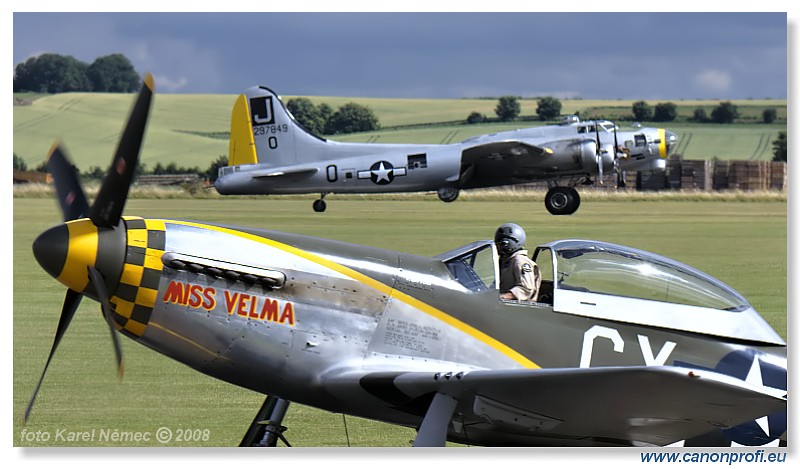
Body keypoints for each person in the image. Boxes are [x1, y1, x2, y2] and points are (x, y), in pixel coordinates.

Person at [495, 223, 541, 301]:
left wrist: (502, 297)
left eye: (500, 244)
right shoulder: (505, 261)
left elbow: (526, 289)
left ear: (508, 244)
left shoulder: (520, 261)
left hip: (520, 306)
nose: (497, 247)